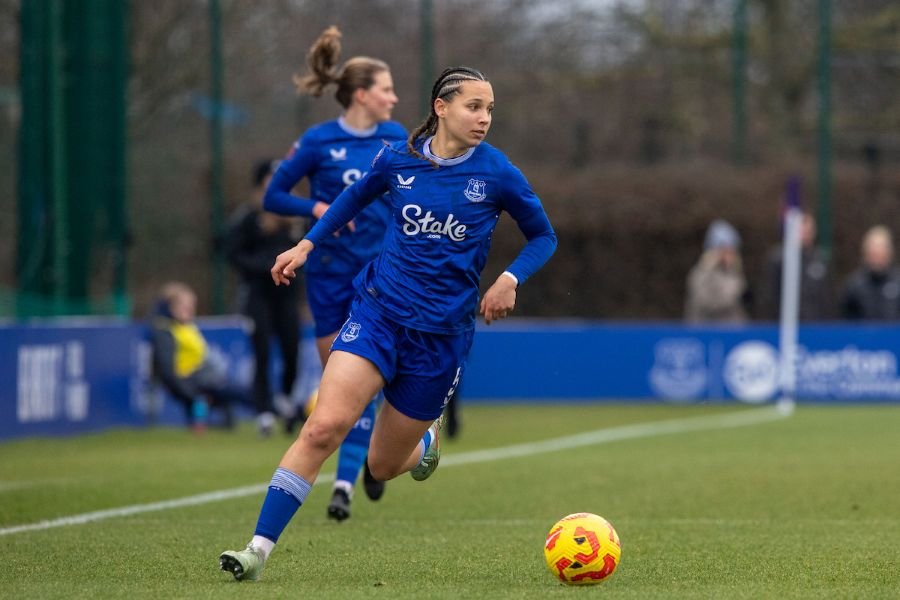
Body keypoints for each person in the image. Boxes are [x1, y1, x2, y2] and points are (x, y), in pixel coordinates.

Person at [219, 66, 557, 581]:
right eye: (474, 106)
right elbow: (351, 200)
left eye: (489, 108)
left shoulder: (497, 172)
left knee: (380, 466)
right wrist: (307, 243)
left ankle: (423, 443)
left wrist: (510, 278)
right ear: (441, 107)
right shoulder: (398, 158)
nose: (484, 118)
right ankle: (256, 550)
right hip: (377, 313)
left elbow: (543, 237)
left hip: (441, 338)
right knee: (322, 427)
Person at [261, 26, 407, 521]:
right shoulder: (319, 141)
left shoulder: (397, 138)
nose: (395, 97)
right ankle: (361, 464)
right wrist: (317, 205)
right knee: (341, 386)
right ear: (363, 95)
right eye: (387, 88)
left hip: (382, 278)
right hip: (327, 276)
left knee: (377, 378)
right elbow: (272, 196)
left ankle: (345, 483)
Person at [224, 159, 304, 437]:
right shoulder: (249, 217)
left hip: (287, 296)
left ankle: (284, 397)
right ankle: (264, 413)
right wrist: (263, 266)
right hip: (258, 294)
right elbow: (231, 252)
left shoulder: (295, 217)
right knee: (262, 353)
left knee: (292, 350)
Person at [149, 281, 248, 431]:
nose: (190, 310)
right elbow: (168, 369)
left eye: (191, 306)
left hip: (204, 378)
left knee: (232, 394)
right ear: (171, 307)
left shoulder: (187, 327)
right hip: (191, 381)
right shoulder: (166, 330)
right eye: (185, 306)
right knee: (217, 395)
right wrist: (188, 391)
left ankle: (213, 424)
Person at [759, 211, 832, 321]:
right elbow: (769, 296)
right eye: (803, 230)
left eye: (810, 230)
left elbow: (826, 295)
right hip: (786, 324)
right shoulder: (778, 259)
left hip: (815, 324)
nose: (807, 234)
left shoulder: (819, 259)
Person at [684, 219, 750, 323]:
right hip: (704, 330)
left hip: (731, 330)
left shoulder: (734, 272)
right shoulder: (700, 272)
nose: (729, 254)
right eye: (724, 250)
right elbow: (707, 301)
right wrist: (709, 269)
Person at [840, 225, 900, 320]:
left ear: (889, 252)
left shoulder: (897, 281)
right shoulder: (854, 285)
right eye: (873, 252)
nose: (877, 256)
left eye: (881, 251)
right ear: (865, 253)